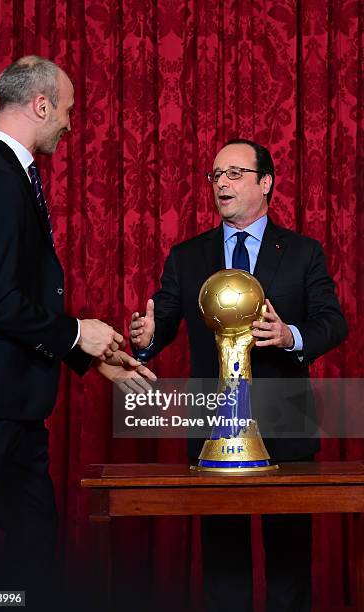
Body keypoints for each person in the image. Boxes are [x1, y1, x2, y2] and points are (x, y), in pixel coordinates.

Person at [0, 56, 155, 604]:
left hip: (12, 410)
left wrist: (90, 355)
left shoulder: (8, 175)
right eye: (66, 110)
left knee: (32, 549)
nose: (70, 123)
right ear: (40, 105)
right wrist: (75, 336)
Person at [130, 139, 347, 611]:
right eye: (214, 175)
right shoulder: (188, 256)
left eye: (233, 173)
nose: (221, 184)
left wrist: (290, 336)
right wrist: (146, 335)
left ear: (265, 182)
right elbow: (161, 322)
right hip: (215, 431)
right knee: (224, 573)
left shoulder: (303, 252)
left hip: (287, 429)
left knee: (289, 571)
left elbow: (333, 322)